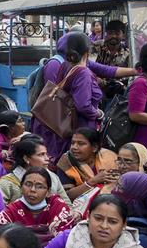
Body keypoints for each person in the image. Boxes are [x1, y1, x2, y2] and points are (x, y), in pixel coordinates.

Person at [31, 32, 106, 161]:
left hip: (66, 125)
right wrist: (99, 114)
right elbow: (83, 106)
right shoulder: (83, 73)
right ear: (87, 50)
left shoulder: (67, 66)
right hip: (81, 126)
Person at [0, 167, 79, 244]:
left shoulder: (57, 206)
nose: (32, 190)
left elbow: (63, 240)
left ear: (48, 192)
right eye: (28, 184)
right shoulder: (11, 211)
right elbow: (0, 239)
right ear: (21, 187)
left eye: (40, 187)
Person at [0, 136, 69, 203]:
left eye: (46, 154)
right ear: (26, 158)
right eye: (41, 155)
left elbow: (67, 204)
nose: (47, 159)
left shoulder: (53, 177)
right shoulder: (7, 183)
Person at [59, 127, 119, 204]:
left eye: (81, 144)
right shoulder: (66, 162)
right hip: (78, 207)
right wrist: (93, 181)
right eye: (73, 143)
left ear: (94, 148)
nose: (74, 147)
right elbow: (66, 196)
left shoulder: (109, 157)